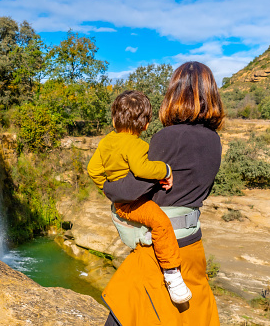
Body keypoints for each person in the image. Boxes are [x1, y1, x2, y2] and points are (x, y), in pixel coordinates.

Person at [101, 61, 225, 326]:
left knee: (123, 314)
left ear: (174, 95)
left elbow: (132, 189)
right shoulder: (214, 140)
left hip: (160, 250)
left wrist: (106, 187)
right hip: (192, 244)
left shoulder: (168, 137)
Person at [87, 90, 192, 304]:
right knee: (161, 223)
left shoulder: (107, 141)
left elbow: (93, 169)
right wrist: (165, 170)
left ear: (114, 119)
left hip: (119, 202)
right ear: (145, 124)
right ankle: (173, 275)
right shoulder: (137, 145)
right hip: (134, 203)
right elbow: (141, 168)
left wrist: (107, 189)